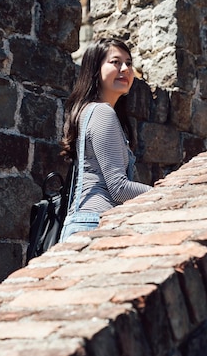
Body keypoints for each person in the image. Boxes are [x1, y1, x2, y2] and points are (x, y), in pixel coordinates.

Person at [59, 38, 152, 242]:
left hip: (85, 222)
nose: (125, 69)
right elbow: (118, 188)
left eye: (128, 63)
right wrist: (161, 192)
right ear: (94, 69)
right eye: (115, 62)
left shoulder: (87, 111)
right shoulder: (101, 112)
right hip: (94, 223)